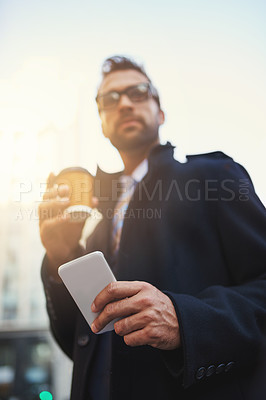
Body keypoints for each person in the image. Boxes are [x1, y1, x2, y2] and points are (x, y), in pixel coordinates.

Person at [39, 55, 266, 400]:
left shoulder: (214, 178)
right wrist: (60, 257)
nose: (125, 103)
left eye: (139, 92)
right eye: (110, 99)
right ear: (101, 122)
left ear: (160, 113)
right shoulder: (99, 224)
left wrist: (187, 321)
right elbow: (83, 339)